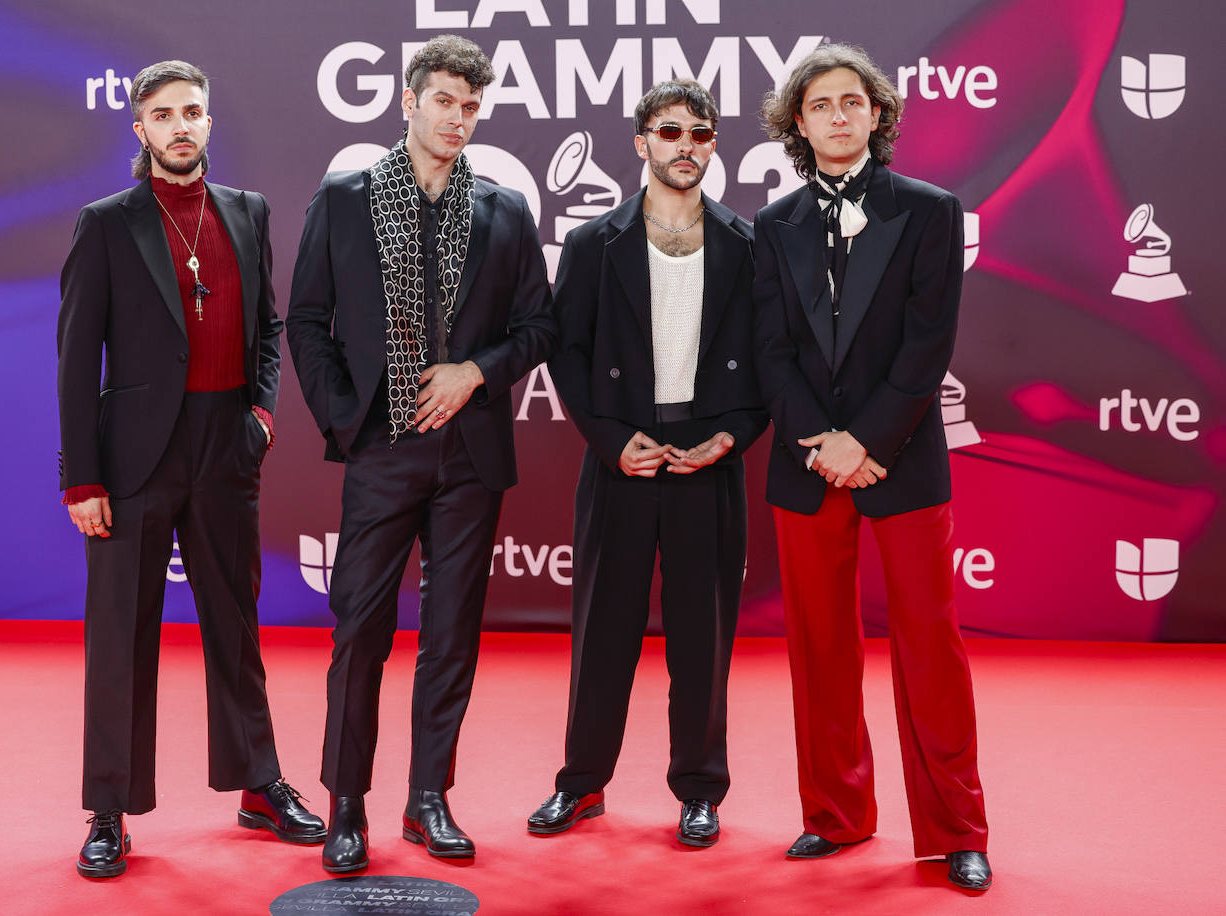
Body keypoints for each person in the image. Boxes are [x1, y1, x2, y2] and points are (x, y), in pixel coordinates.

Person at [285, 34, 556, 873]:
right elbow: (304, 322)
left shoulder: (506, 208)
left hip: (470, 457)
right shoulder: (344, 197)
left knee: (452, 635)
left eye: (472, 105)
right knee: (360, 631)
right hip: (383, 450)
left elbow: (539, 328)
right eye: (443, 100)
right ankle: (347, 805)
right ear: (409, 101)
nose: (458, 118)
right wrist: (348, 420)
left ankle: (428, 797)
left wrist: (476, 372)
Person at [57, 60, 323, 879]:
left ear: (209, 125)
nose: (181, 126)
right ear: (140, 130)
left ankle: (257, 783)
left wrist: (263, 416)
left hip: (226, 443)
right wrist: (81, 477)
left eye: (194, 112)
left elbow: (269, 325)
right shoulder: (106, 223)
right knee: (121, 637)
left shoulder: (248, 212)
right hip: (133, 453)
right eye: (164, 114)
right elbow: (74, 358)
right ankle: (110, 808)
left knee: (235, 627)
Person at [752, 43, 991, 890]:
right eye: (821, 105)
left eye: (854, 101)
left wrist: (868, 442)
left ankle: (957, 828)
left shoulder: (930, 211)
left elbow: (928, 349)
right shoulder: (772, 225)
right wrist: (822, 439)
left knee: (929, 645)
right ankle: (836, 816)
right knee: (820, 649)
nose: (840, 115)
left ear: (878, 115)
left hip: (902, 462)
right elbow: (770, 351)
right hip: (808, 463)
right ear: (798, 123)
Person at [528, 79, 768, 848]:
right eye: (670, 133)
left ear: (713, 145)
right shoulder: (594, 241)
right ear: (641, 143)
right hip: (621, 458)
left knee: (704, 636)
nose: (686, 147)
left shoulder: (746, 244)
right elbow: (565, 352)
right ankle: (581, 783)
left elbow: (772, 363)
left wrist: (732, 434)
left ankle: (700, 790)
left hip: (708, 461)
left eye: (701, 134)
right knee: (603, 633)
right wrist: (606, 438)